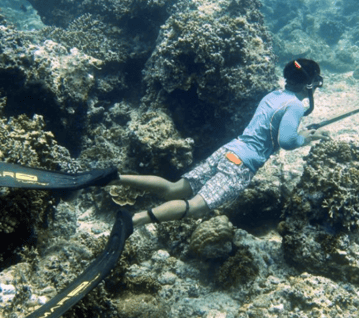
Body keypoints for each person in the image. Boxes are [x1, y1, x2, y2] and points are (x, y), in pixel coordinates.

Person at [110, 59, 326, 227]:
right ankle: (133, 221)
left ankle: (114, 178)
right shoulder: (296, 105)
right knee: (195, 207)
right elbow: (287, 141)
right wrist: (304, 138)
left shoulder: (274, 94)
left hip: (228, 150)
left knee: (175, 189)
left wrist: (298, 133)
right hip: (241, 165)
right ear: (309, 83)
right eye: (316, 81)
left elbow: (270, 128)